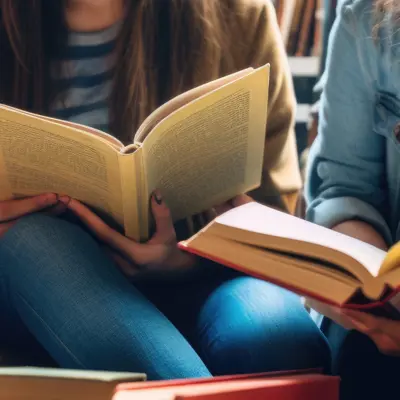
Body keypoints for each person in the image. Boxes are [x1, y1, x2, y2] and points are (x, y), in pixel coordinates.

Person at [0, 0, 330, 378]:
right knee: (38, 240)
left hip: (200, 273)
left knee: (273, 332)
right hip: (34, 278)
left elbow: (274, 207)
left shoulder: (237, 15)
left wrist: (186, 260)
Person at [305, 0, 400, 398]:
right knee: (359, 360)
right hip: (391, 316)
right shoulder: (366, 16)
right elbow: (344, 188)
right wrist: (370, 284)